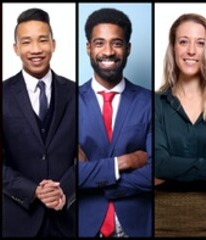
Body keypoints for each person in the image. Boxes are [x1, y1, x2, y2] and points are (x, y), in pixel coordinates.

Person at [0, 8, 77, 237]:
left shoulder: (76, 93)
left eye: (42, 40)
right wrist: (33, 191)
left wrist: (63, 189)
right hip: (18, 220)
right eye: (26, 42)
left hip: (68, 218)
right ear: (16, 48)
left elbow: (88, 154)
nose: (35, 49)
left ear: (53, 44)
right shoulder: (0, 97)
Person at [76, 8, 153, 238]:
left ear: (128, 48)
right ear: (88, 47)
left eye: (116, 43)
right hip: (84, 225)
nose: (108, 52)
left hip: (138, 225)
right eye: (99, 43)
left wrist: (93, 179)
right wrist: (126, 161)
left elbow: (157, 171)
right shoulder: (68, 103)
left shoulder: (149, 102)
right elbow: (66, 173)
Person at [151, 13, 206, 237]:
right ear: (173, 48)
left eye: (200, 43)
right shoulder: (155, 103)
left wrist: (175, 171)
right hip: (162, 224)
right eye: (183, 41)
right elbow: (158, 165)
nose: (191, 51)